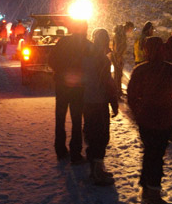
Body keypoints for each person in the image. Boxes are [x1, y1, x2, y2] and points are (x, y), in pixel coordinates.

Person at [127, 36, 172, 204]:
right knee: (157, 155)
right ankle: (153, 193)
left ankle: (147, 186)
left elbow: (131, 96)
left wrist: (138, 112)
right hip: (163, 118)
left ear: (146, 51)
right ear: (163, 50)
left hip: (145, 118)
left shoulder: (140, 70)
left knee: (150, 151)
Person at [48, 19, 91, 164]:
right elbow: (91, 67)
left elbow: (51, 61)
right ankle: (75, 153)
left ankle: (60, 150)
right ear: (85, 29)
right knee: (77, 120)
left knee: (60, 118)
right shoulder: (87, 45)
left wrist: (60, 72)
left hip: (61, 86)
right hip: (78, 88)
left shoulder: (62, 43)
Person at [83, 29, 119, 186]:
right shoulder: (103, 60)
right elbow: (107, 84)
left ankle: (94, 166)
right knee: (101, 135)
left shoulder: (84, 56)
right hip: (99, 101)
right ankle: (97, 172)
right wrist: (114, 102)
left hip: (86, 100)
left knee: (91, 132)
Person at [111, 21, 134, 98]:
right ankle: (116, 91)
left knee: (118, 74)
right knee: (118, 74)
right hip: (117, 55)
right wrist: (119, 56)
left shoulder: (120, 32)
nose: (131, 31)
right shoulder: (120, 34)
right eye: (131, 29)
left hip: (117, 55)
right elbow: (118, 45)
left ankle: (118, 90)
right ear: (129, 27)